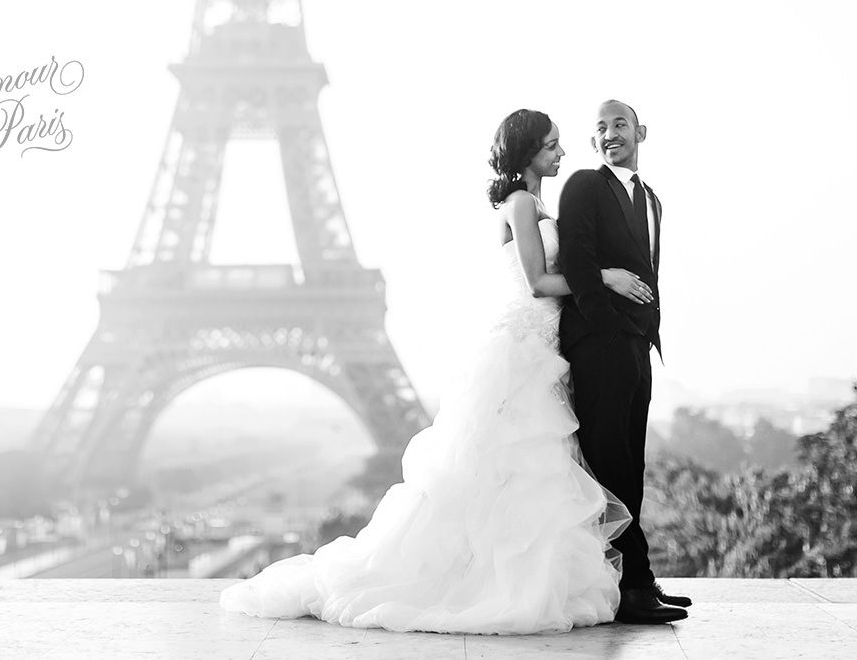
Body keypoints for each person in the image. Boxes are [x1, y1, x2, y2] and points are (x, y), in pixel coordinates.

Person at [219, 109, 646, 634]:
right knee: (511, 464)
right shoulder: (520, 203)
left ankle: (496, 573)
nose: (562, 153)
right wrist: (603, 278)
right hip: (523, 343)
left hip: (540, 343)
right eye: (552, 146)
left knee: (521, 468)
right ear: (528, 150)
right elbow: (537, 281)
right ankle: (485, 580)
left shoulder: (535, 203)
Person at [557, 100, 691, 624]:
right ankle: (634, 586)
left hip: (638, 348)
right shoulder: (585, 186)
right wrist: (609, 330)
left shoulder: (652, 199)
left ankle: (632, 581)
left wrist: (644, 337)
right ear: (593, 143)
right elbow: (577, 262)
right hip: (602, 344)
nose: (610, 134)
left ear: (641, 132)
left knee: (630, 465)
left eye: (619, 125)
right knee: (609, 463)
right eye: (601, 129)